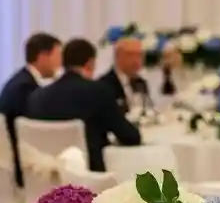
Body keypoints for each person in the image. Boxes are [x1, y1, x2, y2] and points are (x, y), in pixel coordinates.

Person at [26, 37, 141, 172]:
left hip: (47, 179)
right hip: (91, 179)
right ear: (90, 64)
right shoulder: (98, 91)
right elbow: (130, 137)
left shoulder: (37, 97)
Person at [0, 32, 62, 186]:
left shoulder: (20, 79)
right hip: (21, 166)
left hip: (8, 159)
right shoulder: (26, 88)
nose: (60, 64)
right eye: (58, 56)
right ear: (43, 56)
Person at [99, 37, 152, 116]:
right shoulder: (104, 85)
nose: (136, 60)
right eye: (130, 54)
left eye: (139, 55)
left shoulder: (141, 83)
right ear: (117, 56)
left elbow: (147, 109)